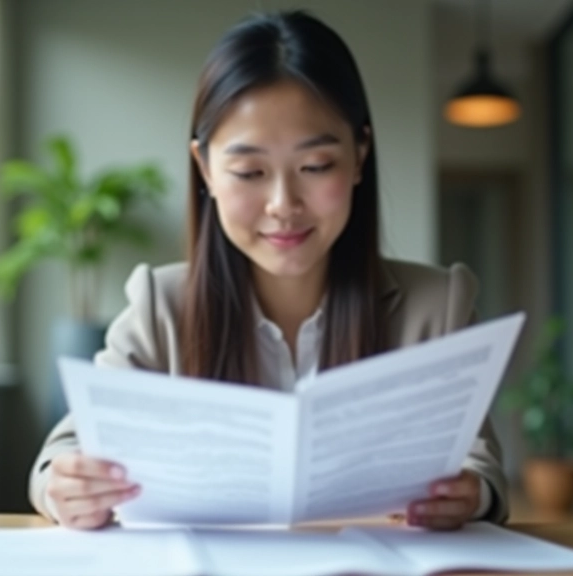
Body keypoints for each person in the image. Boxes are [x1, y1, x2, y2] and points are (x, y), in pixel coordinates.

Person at [29, 10, 508, 531]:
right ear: (205, 168)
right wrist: (65, 487)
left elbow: (478, 461)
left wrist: (471, 493)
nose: (283, 204)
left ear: (360, 154)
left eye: (316, 166)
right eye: (249, 172)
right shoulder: (159, 306)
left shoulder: (437, 305)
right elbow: (69, 449)